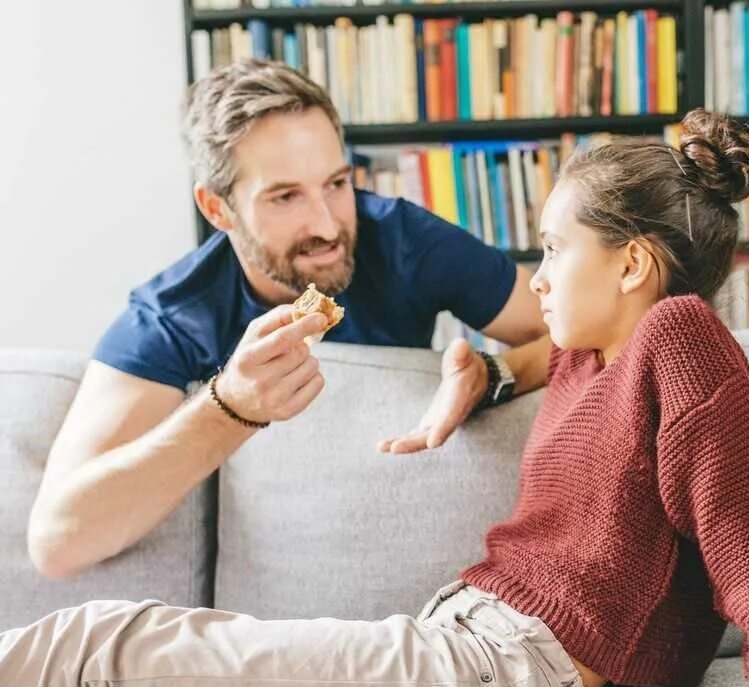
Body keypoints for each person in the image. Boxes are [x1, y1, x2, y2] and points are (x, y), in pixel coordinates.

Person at [0, 109, 749, 687]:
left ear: (632, 264)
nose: (535, 279)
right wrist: (489, 374)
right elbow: (537, 348)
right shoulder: (600, 352)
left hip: (498, 684)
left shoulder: (680, 341)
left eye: (554, 251)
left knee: (106, 646)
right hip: (464, 653)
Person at [25, 58, 551, 580]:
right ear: (217, 209)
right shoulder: (174, 317)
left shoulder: (404, 241)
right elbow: (58, 543)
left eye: (336, 184)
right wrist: (231, 407)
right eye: (285, 196)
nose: (328, 225)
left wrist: (495, 375)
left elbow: (587, 330)